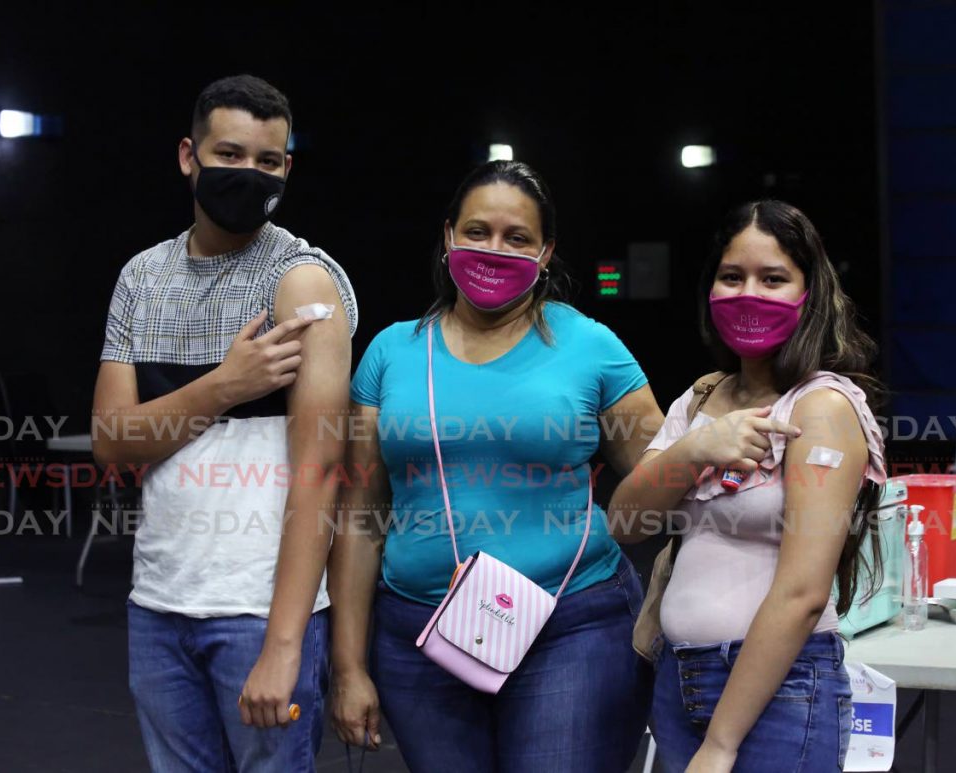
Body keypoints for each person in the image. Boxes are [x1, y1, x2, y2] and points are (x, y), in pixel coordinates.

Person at [327, 160, 662, 772]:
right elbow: (360, 516)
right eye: (477, 232)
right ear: (448, 235)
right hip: (420, 636)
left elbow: (664, 491)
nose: (494, 249)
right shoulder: (391, 352)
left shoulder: (591, 346)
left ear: (547, 251)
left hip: (572, 628)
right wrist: (348, 667)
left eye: (517, 238)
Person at [92, 74, 357, 772]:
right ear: (189, 156)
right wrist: (225, 385)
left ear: (287, 169)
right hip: (157, 605)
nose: (249, 174)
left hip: (256, 612)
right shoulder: (141, 279)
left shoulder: (303, 282)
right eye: (230, 155)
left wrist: (284, 642)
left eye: (268, 162)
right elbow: (112, 439)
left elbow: (321, 469)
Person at [609, 200, 886, 772]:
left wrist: (721, 742)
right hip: (678, 680)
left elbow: (803, 594)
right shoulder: (703, 397)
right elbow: (626, 521)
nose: (747, 293)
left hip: (779, 694)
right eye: (731, 277)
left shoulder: (823, 408)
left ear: (810, 294)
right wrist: (695, 448)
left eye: (773, 278)